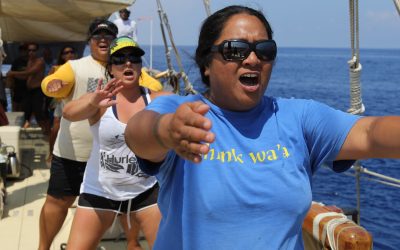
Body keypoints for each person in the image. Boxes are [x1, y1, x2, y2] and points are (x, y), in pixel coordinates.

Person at [124, 5, 400, 250]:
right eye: (236, 50)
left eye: (265, 50)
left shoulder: (298, 118)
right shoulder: (180, 113)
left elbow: (369, 132)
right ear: (206, 63)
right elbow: (137, 133)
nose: (253, 59)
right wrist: (166, 131)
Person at [39, 19, 162, 250]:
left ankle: (133, 243)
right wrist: (88, 100)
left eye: (133, 58)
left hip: (142, 184)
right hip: (89, 173)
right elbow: (66, 108)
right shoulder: (87, 81)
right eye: (119, 59)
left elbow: (171, 102)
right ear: (110, 67)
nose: (127, 62)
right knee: (62, 211)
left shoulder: (150, 91)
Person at [7, 42, 49, 133]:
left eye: (33, 50)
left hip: (37, 91)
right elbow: (25, 77)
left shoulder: (40, 61)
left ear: (37, 51)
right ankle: (24, 134)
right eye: (29, 50)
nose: (31, 52)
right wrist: (11, 76)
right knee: (25, 114)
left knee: (39, 115)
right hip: (28, 91)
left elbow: (29, 73)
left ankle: (48, 135)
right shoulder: (30, 61)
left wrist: (12, 73)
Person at [46, 45, 77, 163]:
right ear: (62, 56)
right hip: (60, 102)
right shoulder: (56, 68)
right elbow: (47, 84)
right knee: (55, 128)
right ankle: (51, 153)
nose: (69, 54)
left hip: (75, 101)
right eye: (66, 52)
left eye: (71, 51)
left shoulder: (79, 67)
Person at [5, 43, 28, 112]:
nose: (23, 52)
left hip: (27, 88)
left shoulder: (30, 61)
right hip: (17, 88)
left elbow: (29, 74)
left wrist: (17, 75)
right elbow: (11, 74)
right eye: (21, 50)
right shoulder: (16, 61)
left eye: (24, 50)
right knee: (15, 106)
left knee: (25, 108)